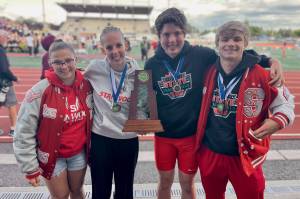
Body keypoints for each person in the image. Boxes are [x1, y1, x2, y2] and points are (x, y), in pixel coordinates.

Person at [144, 8, 284, 199]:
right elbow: (144, 98)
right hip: (163, 136)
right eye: (166, 35)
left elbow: (235, 52)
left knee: (187, 184)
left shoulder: (201, 55)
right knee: (165, 182)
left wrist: (270, 60)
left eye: (177, 33)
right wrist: (141, 119)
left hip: (191, 136)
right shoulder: (152, 64)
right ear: (159, 36)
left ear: (184, 34)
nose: (172, 40)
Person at [195, 21, 295, 199]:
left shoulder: (262, 75)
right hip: (210, 152)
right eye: (225, 39)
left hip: (245, 156)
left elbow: (286, 102)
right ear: (217, 43)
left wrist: (278, 120)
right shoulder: (207, 71)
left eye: (237, 39)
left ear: (245, 43)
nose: (230, 43)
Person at [13, 40, 93, 199]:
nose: (64, 66)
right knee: (60, 196)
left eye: (68, 60)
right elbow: (23, 131)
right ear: (50, 63)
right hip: (52, 157)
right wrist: (30, 167)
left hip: (79, 154)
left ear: (75, 59)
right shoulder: (38, 91)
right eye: (58, 62)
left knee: (77, 191)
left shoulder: (88, 85)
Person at [84, 26, 143, 199]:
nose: (115, 51)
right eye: (109, 48)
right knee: (100, 191)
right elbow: (75, 82)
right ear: (103, 49)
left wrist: (144, 121)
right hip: (101, 139)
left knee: (125, 192)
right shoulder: (94, 68)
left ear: (126, 44)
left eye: (118, 45)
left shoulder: (138, 72)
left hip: (128, 140)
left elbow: (143, 106)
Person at [0, 29, 18, 136]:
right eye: (5, 37)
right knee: (12, 104)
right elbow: (4, 69)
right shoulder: (1, 50)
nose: (7, 39)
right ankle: (13, 130)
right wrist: (15, 78)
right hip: (5, 82)